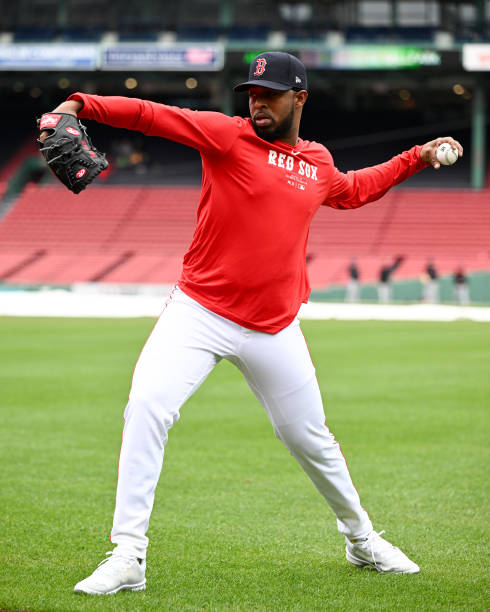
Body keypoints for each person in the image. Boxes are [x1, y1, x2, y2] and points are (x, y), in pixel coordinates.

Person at [40, 52, 463, 594]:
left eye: (270, 93)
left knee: (311, 440)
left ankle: (362, 540)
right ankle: (128, 554)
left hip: (274, 327)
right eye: (252, 93)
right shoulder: (227, 136)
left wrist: (418, 156)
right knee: (147, 405)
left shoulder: (317, 162)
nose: (257, 102)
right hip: (198, 313)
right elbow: (150, 114)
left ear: (300, 98)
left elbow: (355, 190)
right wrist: (79, 103)